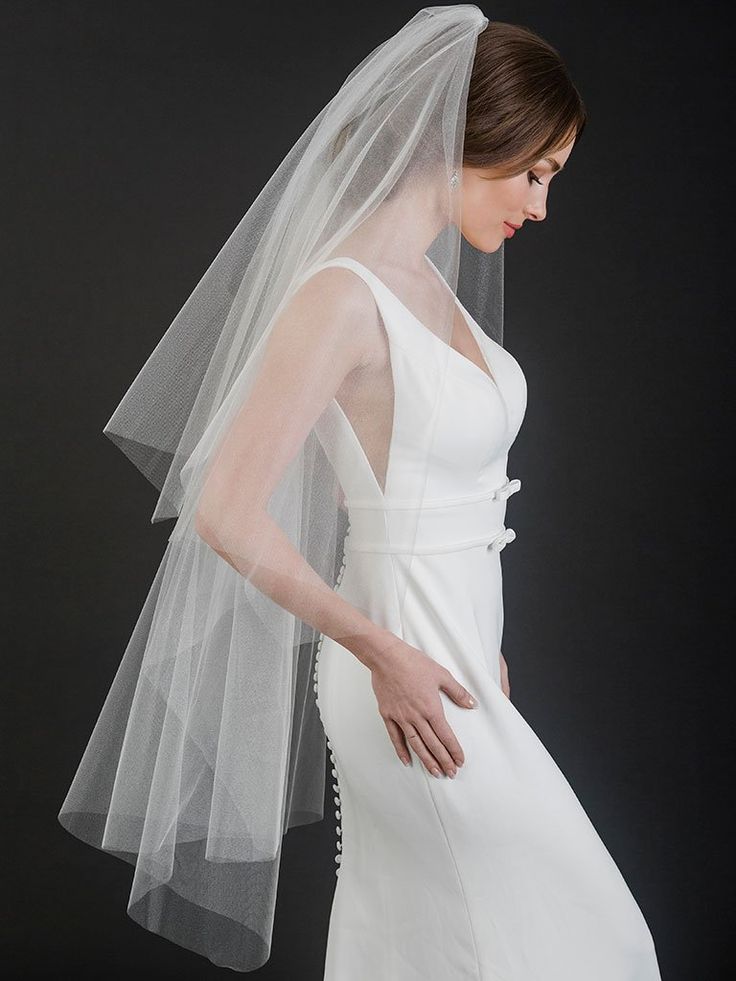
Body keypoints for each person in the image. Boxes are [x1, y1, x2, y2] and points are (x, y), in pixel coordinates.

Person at [58, 7, 663, 978]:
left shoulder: (431, 288)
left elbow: (433, 495)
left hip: (458, 671)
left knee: (453, 945)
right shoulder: (340, 296)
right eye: (533, 172)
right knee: (588, 944)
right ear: (467, 140)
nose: (540, 207)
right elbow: (224, 507)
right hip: (398, 679)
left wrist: (481, 647)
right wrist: (383, 651)